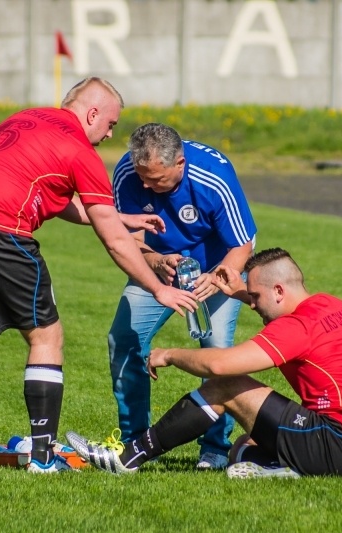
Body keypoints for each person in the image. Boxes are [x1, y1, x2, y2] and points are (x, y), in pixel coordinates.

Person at [0, 77, 198, 474]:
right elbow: (115, 242)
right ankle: (42, 458)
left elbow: (54, 195)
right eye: (109, 124)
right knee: (46, 336)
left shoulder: (25, 119)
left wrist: (121, 216)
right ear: (92, 113)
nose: (110, 134)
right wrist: (158, 288)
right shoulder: (79, 148)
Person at [67, 248, 342, 478]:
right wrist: (238, 290)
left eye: (256, 297)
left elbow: (221, 366)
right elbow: (279, 312)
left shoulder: (296, 329)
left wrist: (169, 354)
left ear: (278, 290)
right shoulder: (328, 304)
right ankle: (284, 469)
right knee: (241, 451)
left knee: (226, 386)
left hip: (341, 444)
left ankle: (127, 457)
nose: (252, 306)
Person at [106, 123, 257, 470]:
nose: (145, 184)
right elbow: (126, 241)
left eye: (155, 179)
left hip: (217, 268)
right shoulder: (128, 172)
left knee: (217, 353)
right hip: (157, 269)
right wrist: (156, 261)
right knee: (124, 339)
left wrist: (216, 279)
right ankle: (134, 445)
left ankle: (215, 448)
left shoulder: (214, 177)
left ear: (180, 163)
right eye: (142, 176)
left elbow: (242, 244)